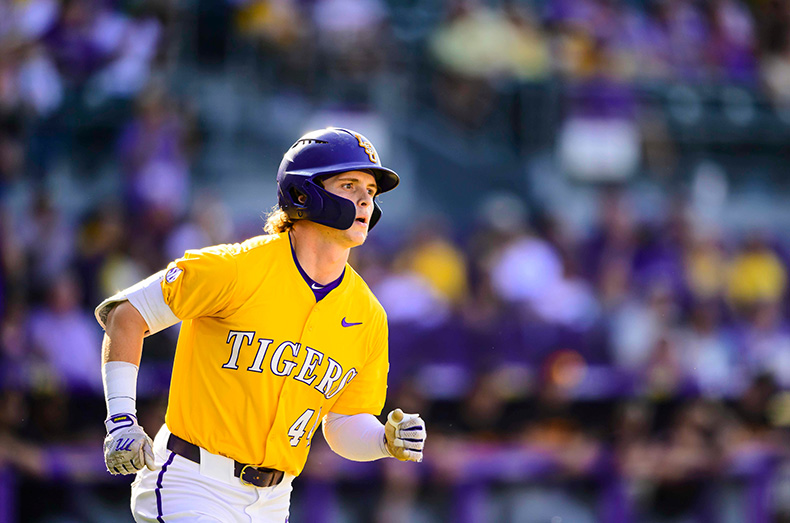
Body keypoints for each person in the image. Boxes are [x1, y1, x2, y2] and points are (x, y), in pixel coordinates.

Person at [95, 127, 427, 522]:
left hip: (273, 500)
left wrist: (383, 440)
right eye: (349, 184)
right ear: (304, 194)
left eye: (370, 191)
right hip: (192, 482)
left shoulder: (368, 314)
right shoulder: (234, 269)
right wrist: (121, 419)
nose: (364, 200)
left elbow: (343, 422)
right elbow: (126, 315)